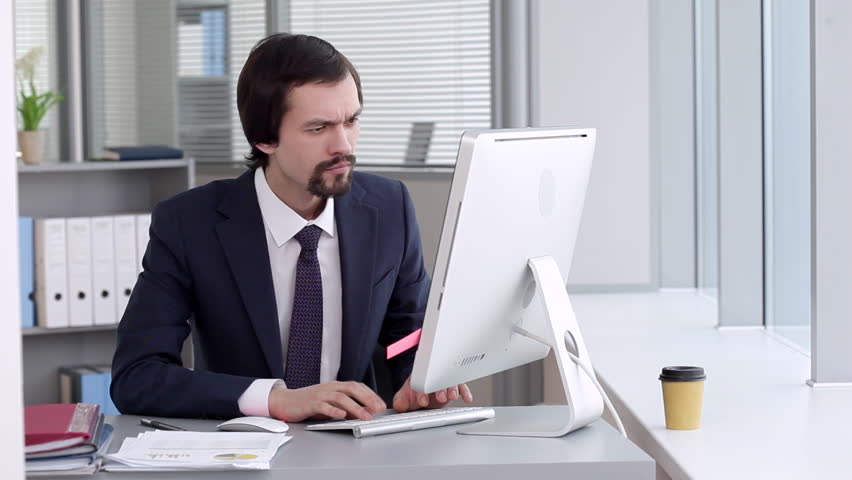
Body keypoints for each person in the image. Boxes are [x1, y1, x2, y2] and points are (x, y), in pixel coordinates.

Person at [111, 33, 472, 422]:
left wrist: (418, 379)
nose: (344, 145)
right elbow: (137, 376)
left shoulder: (388, 208)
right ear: (264, 138)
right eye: (318, 128)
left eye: (351, 121)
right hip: (243, 453)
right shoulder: (189, 223)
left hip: (356, 446)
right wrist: (273, 399)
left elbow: (406, 335)